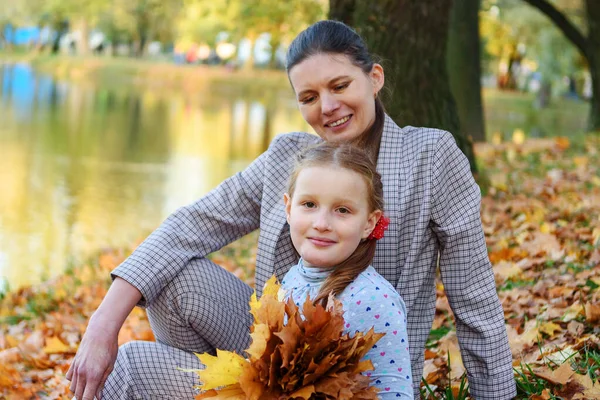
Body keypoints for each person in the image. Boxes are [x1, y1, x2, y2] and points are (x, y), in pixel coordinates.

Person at [66, 20, 516, 400]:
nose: (329, 107)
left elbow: (474, 298)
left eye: (340, 86)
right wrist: (103, 323)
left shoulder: (431, 157)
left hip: (359, 377)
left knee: (133, 366)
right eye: (309, 97)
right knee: (169, 280)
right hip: (272, 353)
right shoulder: (289, 157)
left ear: (374, 79)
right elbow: (190, 225)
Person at [280, 143, 412, 398]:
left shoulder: (372, 300)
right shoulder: (291, 278)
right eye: (309, 204)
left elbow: (395, 393)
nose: (321, 224)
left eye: (342, 210)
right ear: (288, 209)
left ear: (368, 223)